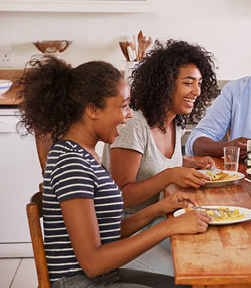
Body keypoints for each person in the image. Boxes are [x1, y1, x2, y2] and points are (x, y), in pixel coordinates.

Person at [17, 57, 210, 287]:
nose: (129, 115)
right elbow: (93, 263)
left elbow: (107, 232)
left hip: (105, 278)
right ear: (92, 110)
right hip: (85, 283)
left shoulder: (85, 155)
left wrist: (159, 210)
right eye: (123, 106)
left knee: (196, 282)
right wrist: (169, 226)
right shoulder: (72, 164)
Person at [103, 40, 219, 215]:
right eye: (188, 83)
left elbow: (150, 162)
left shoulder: (174, 120)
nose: (197, 92)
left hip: (163, 215)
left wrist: (191, 163)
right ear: (165, 85)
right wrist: (170, 176)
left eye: (200, 83)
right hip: (130, 225)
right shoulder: (133, 124)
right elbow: (120, 197)